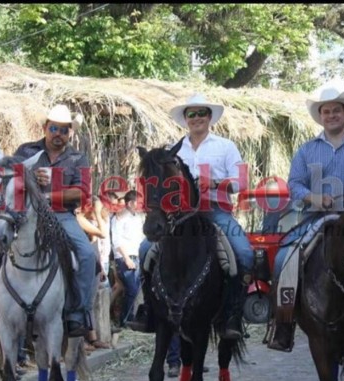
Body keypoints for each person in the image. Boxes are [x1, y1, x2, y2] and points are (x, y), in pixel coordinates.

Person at [267, 87, 344, 352]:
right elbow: (294, 184)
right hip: (318, 218)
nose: (332, 115)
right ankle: (283, 324)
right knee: (283, 259)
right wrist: (314, 197)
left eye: (337, 110)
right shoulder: (306, 150)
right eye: (327, 111)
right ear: (320, 115)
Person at [130, 93, 255, 340]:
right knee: (145, 251)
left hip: (216, 212)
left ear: (209, 117)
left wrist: (216, 183)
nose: (196, 118)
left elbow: (241, 181)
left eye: (201, 113)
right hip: (180, 217)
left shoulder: (226, 146)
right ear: (185, 119)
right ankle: (147, 310)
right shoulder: (172, 152)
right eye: (191, 114)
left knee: (244, 253)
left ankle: (232, 314)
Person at [0, 104, 96, 338]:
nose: (58, 134)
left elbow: (82, 193)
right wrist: (30, 178)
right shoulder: (26, 151)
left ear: (69, 132)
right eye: (54, 128)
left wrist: (47, 195)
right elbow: (10, 178)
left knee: (87, 254)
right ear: (45, 128)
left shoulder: (77, 158)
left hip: (61, 215)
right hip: (26, 215)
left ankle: (76, 313)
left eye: (64, 130)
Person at [75, 195, 111, 351]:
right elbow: (102, 233)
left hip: (94, 265)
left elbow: (97, 247)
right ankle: (79, 339)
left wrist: (101, 267)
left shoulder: (90, 221)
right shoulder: (78, 220)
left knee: (89, 303)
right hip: (81, 266)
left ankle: (92, 338)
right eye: (96, 207)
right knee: (80, 302)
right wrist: (96, 212)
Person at [111, 189, 145, 326]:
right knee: (132, 289)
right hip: (125, 257)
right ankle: (124, 319)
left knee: (136, 289)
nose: (141, 204)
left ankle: (130, 317)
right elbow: (117, 240)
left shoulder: (138, 217)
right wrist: (126, 258)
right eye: (138, 202)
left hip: (137, 255)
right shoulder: (119, 218)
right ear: (130, 203)